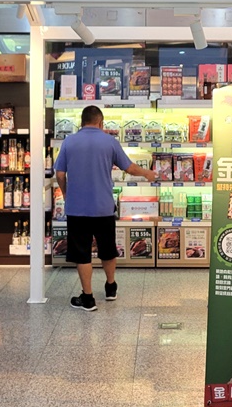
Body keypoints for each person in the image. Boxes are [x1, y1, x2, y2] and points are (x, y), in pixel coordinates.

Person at [54, 105, 156, 311]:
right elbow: (130, 168)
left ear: (81, 122)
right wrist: (147, 173)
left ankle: (88, 298)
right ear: (101, 122)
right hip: (104, 207)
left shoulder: (69, 141)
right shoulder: (110, 141)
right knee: (107, 249)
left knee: (82, 253)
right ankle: (110, 288)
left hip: (78, 209)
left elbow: (60, 174)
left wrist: (66, 194)